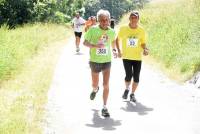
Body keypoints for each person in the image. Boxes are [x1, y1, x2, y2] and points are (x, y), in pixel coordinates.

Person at [83, 9, 116, 117]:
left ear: (109, 20)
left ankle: (104, 107)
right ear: (98, 20)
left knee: (106, 84)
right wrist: (94, 46)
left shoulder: (111, 31)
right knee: (95, 84)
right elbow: (85, 42)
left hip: (107, 61)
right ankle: (94, 90)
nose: (104, 22)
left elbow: (113, 41)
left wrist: (114, 50)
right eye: (102, 20)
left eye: (106, 20)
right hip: (95, 61)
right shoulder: (92, 30)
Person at [116, 11, 149, 103]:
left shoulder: (141, 30)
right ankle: (127, 89)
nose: (134, 19)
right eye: (132, 17)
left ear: (138, 19)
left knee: (136, 77)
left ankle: (132, 94)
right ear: (129, 19)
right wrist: (118, 51)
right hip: (126, 56)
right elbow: (117, 39)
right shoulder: (123, 28)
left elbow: (142, 43)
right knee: (128, 75)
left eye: (136, 18)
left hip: (137, 57)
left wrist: (145, 49)